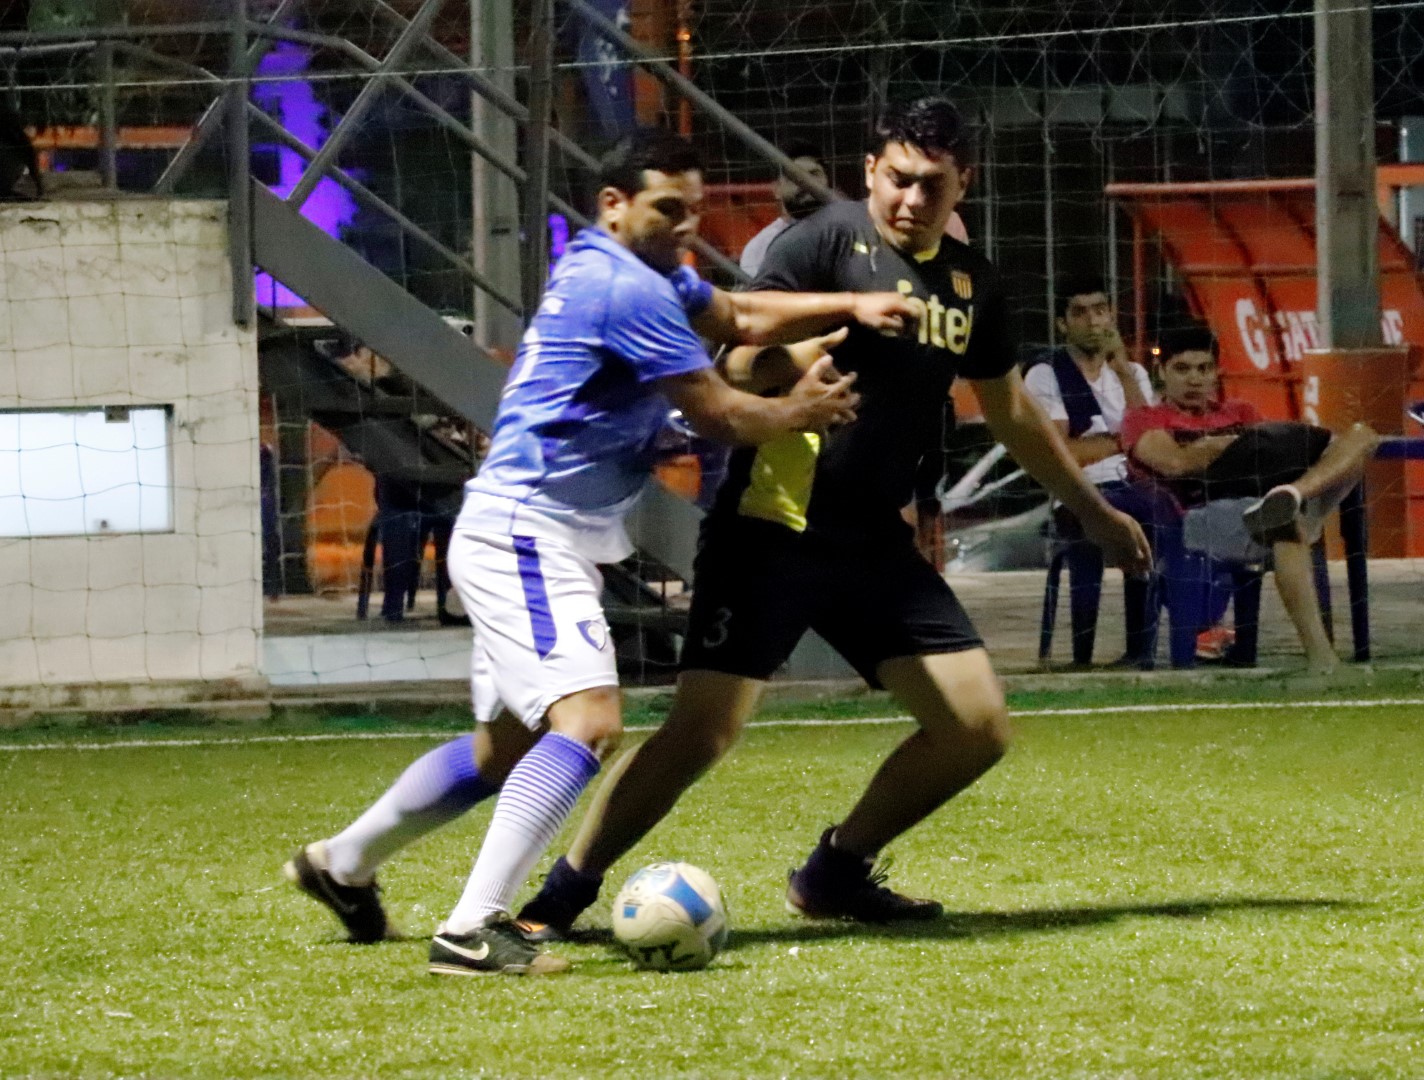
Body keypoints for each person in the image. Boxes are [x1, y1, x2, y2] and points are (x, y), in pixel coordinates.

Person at [283, 127, 918, 975]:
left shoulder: (634, 268)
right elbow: (718, 414)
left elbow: (738, 315)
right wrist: (800, 411)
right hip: (527, 534)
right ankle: (472, 929)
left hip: (526, 529)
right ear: (612, 204)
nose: (685, 226)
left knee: (503, 752)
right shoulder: (627, 290)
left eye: (694, 211)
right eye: (668, 208)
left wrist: (851, 305)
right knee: (589, 722)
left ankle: (342, 863)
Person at [514, 96, 1151, 940]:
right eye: (898, 179)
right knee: (702, 733)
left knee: (975, 728)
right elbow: (735, 361)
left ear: (965, 182)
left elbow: (1011, 413)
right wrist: (812, 354)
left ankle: (835, 872)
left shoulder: (973, 285)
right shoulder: (822, 243)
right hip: (769, 528)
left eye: (932, 184)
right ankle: (557, 900)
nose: (911, 199)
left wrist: (1093, 510)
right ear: (870, 171)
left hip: (871, 542)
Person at [1120, 325, 1380, 673]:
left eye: (1204, 368)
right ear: (1161, 372)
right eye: (1182, 369)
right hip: (1199, 516)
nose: (1195, 379)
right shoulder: (1144, 418)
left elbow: (1271, 454)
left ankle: (1292, 494)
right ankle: (1322, 658)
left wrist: (1228, 446)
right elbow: (1175, 463)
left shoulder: (1241, 412)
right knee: (1285, 523)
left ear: (1216, 372)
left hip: (1268, 497)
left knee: (1363, 436)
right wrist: (1234, 444)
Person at [1023, 279, 1163, 667]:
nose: (1093, 321)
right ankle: (1083, 655)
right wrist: (1124, 440)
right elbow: (1062, 454)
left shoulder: (1133, 373)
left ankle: (1142, 649)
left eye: (1100, 310)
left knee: (1164, 514)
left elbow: (1153, 440)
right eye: (1080, 312)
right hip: (1079, 492)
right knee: (1128, 515)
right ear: (1062, 324)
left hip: (1136, 484)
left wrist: (1123, 372)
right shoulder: (1046, 374)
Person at [738, 141, 830, 278]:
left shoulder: (848, 232)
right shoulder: (759, 248)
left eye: (814, 174)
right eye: (794, 177)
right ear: (776, 189)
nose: (806, 184)